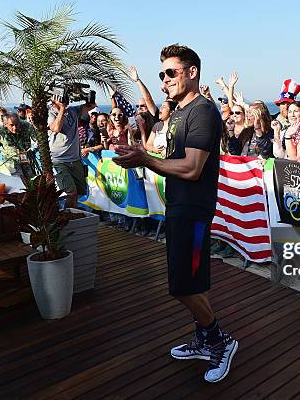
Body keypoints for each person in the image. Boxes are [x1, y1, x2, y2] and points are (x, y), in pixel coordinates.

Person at [113, 44, 237, 383]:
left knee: (183, 285)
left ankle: (219, 341)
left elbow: (194, 167)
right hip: (180, 206)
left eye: (171, 72)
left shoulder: (203, 111)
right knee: (192, 281)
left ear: (192, 72)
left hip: (195, 211)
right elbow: (165, 153)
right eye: (161, 75)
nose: (165, 80)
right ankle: (204, 337)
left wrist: (145, 160)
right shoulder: (179, 112)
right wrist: (140, 150)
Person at [49, 96, 96, 207]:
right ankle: (67, 217)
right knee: (71, 193)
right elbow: (56, 128)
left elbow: (92, 106)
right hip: (59, 161)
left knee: (79, 193)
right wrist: (61, 108)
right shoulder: (50, 113)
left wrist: (84, 96)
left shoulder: (73, 111)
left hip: (75, 160)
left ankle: (71, 213)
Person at [0, 112, 37, 178]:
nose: (15, 128)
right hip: (10, 160)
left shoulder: (26, 125)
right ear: (6, 124)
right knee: (19, 180)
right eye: (11, 125)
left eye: (17, 125)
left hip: (25, 158)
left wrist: (35, 148)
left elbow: (38, 140)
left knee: (31, 179)